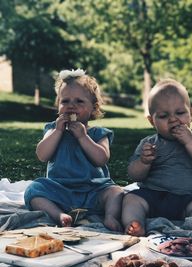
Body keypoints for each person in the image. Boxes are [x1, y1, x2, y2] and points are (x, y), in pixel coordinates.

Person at [24, 68, 123, 231]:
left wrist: (83, 137)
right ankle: (59, 215)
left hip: (93, 190)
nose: (71, 106)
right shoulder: (53, 130)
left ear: (93, 108)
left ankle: (110, 217)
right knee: (33, 190)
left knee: (116, 192)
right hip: (60, 191)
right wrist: (57, 131)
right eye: (65, 101)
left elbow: (101, 158)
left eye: (79, 101)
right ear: (58, 105)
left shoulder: (98, 133)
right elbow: (42, 155)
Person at [122, 78, 192, 236]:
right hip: (151, 197)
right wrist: (143, 161)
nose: (173, 119)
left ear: (191, 114)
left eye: (180, 113)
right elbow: (134, 174)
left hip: (186, 199)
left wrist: (190, 141)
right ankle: (135, 224)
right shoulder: (148, 143)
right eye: (163, 116)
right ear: (151, 121)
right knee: (130, 199)